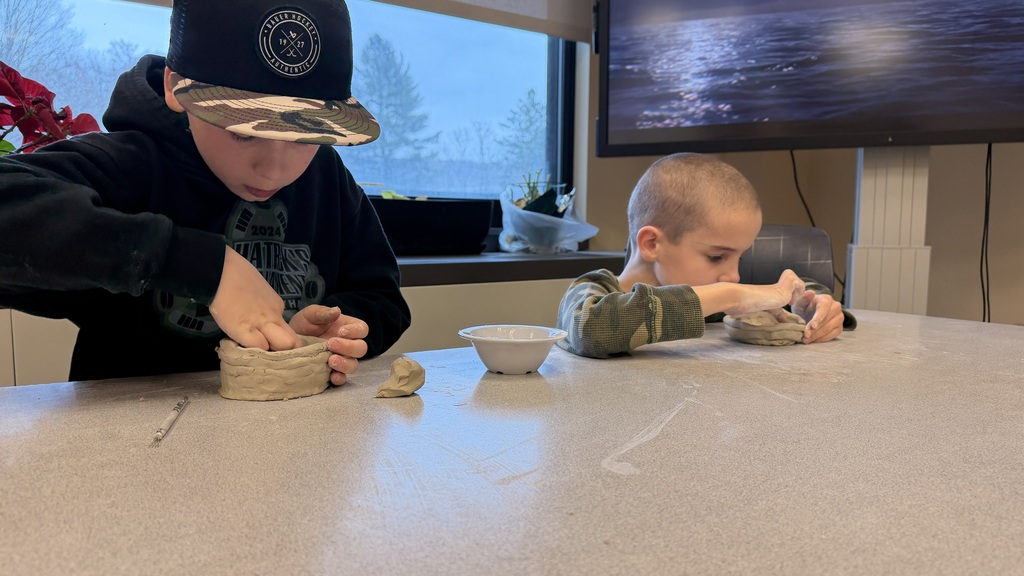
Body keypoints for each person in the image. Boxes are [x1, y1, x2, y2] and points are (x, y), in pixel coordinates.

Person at [0, 0, 411, 384]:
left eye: (305, 137)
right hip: (133, 450)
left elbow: (381, 295)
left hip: (291, 445)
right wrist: (201, 267)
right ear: (175, 86)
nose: (275, 169)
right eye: (241, 132)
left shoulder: (326, 178)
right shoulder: (129, 168)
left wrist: (341, 329)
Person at [557, 153, 855, 358]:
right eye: (717, 257)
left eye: (740, 258)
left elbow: (786, 291)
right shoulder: (590, 292)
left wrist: (808, 305)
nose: (734, 275)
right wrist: (733, 295)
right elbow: (592, 332)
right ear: (651, 244)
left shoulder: (709, 297)